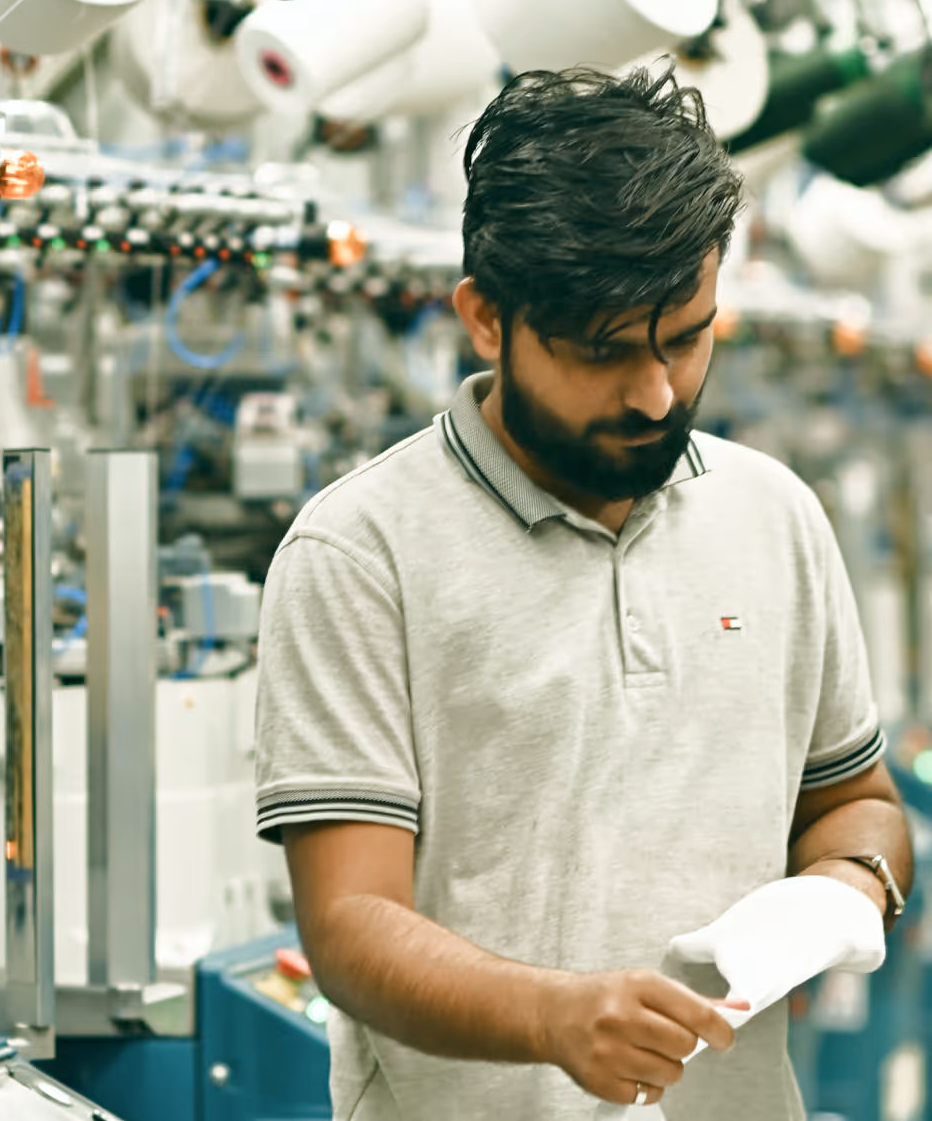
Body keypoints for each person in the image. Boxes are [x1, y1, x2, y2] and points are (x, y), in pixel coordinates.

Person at [253, 65, 914, 1121]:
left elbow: (856, 803)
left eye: (686, 336)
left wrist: (850, 885)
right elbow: (349, 924)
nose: (655, 393)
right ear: (484, 317)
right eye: (601, 351)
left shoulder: (774, 516)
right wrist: (553, 1017)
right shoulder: (360, 552)